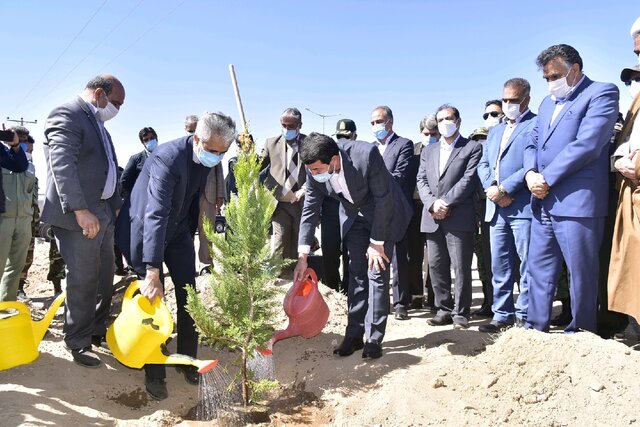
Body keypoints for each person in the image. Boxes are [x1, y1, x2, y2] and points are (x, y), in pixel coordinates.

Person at [115, 111, 236, 401]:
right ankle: (154, 372)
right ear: (197, 139)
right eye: (212, 151)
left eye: (222, 152)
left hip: (178, 230)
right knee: (153, 302)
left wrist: (189, 230)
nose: (216, 158)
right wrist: (152, 271)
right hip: (145, 232)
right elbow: (155, 214)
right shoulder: (167, 159)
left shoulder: (206, 157)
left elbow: (189, 198)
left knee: (188, 296)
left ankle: (186, 360)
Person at [523, 44, 619, 333]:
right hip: (543, 200)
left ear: (574, 70)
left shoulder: (601, 93)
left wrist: (546, 178)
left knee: (581, 274)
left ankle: (581, 331)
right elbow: (532, 141)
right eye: (546, 78)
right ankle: (534, 327)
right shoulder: (545, 104)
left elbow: (588, 144)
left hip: (578, 203)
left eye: (555, 76)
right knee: (538, 270)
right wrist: (530, 174)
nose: (551, 83)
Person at [294, 132, 412, 359]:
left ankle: (374, 338)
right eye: (311, 171)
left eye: (318, 170)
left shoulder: (365, 154)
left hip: (384, 215)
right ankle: (355, 335)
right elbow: (309, 211)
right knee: (357, 274)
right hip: (354, 219)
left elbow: (384, 199)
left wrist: (377, 242)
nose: (314, 174)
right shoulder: (313, 169)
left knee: (376, 272)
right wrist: (303, 256)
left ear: (334, 159)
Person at [42, 74, 125, 367]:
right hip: (78, 216)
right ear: (99, 93)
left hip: (101, 212)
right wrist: (80, 210)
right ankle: (77, 340)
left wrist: (114, 205)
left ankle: (96, 331)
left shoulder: (98, 125)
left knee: (105, 275)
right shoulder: (68, 114)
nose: (117, 110)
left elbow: (109, 166)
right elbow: (61, 165)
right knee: (84, 278)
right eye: (115, 103)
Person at [476, 78, 536, 332]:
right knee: (499, 264)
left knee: (526, 263)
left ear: (526, 100)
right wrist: (493, 189)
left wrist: (505, 189)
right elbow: (483, 164)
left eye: (514, 100)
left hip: (521, 206)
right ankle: (502, 314)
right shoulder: (496, 131)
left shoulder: (536, 124)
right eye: (505, 100)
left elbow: (532, 163)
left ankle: (525, 313)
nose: (508, 104)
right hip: (496, 208)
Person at [417, 104, 483, 329]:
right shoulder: (429, 150)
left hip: (458, 215)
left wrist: (445, 202)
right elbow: (421, 180)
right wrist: (432, 203)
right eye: (441, 119)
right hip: (432, 216)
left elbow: (469, 179)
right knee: (435, 265)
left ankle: (461, 312)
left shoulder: (472, 147)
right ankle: (443, 309)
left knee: (461, 266)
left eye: (449, 118)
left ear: (458, 121)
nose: (445, 123)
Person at [370, 106, 414, 320]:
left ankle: (400, 302)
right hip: (374, 211)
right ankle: (379, 302)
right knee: (376, 256)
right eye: (372, 123)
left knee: (398, 257)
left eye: (379, 121)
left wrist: (374, 185)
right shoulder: (369, 148)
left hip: (396, 210)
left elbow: (399, 175)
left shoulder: (403, 145)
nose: (375, 126)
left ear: (390, 122)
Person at [608, 57, 640, 326]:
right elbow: (623, 143)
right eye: (632, 79)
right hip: (630, 192)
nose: (634, 84)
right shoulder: (633, 108)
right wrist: (619, 160)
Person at [261, 108, 307, 270]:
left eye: (291, 126)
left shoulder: (308, 143)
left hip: (300, 202)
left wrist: (304, 189)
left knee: (298, 241)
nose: (286, 129)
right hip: (279, 203)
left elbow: (316, 171)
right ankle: (277, 275)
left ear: (299, 125)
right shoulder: (271, 143)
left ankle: (295, 278)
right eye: (283, 125)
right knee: (280, 240)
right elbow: (258, 166)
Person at [407, 114, 439, 310]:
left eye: (433, 133)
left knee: (435, 256)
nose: (430, 136)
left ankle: (435, 296)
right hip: (415, 207)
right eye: (426, 133)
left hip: (436, 208)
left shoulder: (443, 150)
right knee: (414, 254)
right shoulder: (412, 151)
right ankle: (416, 295)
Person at [321, 119, 357, 293]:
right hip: (331, 210)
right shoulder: (327, 157)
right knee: (330, 252)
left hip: (353, 212)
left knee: (351, 252)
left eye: (347, 137)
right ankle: (332, 288)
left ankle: (349, 288)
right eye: (340, 137)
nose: (342, 141)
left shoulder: (359, 157)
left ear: (355, 136)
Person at [1, 127, 35, 301]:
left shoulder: (28, 165)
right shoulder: (2, 158)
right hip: (3, 219)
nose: (22, 143)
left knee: (16, 266)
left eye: (24, 140)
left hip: (23, 221)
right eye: (18, 139)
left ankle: (6, 306)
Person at [468, 126, 494, 318]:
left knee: (498, 263)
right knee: (483, 264)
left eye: (483, 139)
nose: (480, 143)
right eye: (476, 140)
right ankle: (488, 301)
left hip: (493, 216)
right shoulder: (471, 165)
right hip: (477, 219)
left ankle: (498, 303)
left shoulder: (492, 163)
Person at [120, 127, 158, 200]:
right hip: (143, 201)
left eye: (152, 138)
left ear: (156, 138)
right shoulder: (135, 159)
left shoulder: (165, 156)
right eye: (146, 140)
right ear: (142, 143)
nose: (150, 141)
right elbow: (124, 181)